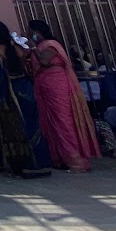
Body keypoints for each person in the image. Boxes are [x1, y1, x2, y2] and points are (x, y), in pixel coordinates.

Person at [0, 22, 51, 176]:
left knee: (16, 128)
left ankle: (21, 164)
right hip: (24, 88)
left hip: (9, 91)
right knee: (32, 126)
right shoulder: (18, 49)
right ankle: (41, 163)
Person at [25, 19, 100, 172]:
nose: (27, 34)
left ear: (37, 32)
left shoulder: (51, 44)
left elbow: (45, 61)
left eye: (29, 31)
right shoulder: (40, 47)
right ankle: (60, 158)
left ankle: (76, 160)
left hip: (56, 85)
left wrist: (33, 49)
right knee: (51, 122)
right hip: (44, 85)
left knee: (63, 120)